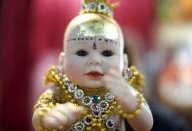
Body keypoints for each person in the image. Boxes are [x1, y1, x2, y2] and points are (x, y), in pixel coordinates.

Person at [32, 0, 153, 130]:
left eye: (106, 53)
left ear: (124, 62)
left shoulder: (123, 91)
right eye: (82, 52)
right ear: (62, 62)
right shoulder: (61, 89)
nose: (95, 60)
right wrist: (46, 117)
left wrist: (133, 103)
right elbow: (39, 112)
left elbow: (145, 127)